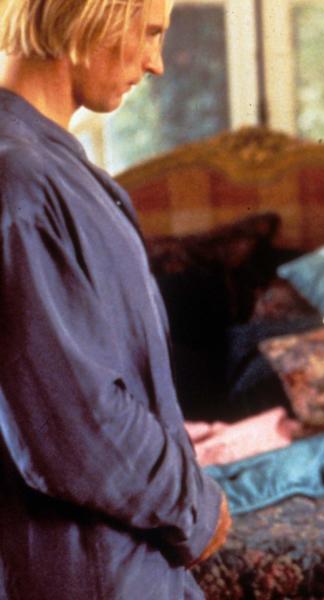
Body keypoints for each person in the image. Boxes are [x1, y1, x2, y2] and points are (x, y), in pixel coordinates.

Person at [0, 1, 231, 598]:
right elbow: (74, 423)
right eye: (150, 33)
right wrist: (195, 507)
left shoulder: (49, 167)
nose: (156, 63)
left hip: (125, 559)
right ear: (92, 16)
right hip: (88, 570)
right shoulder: (19, 180)